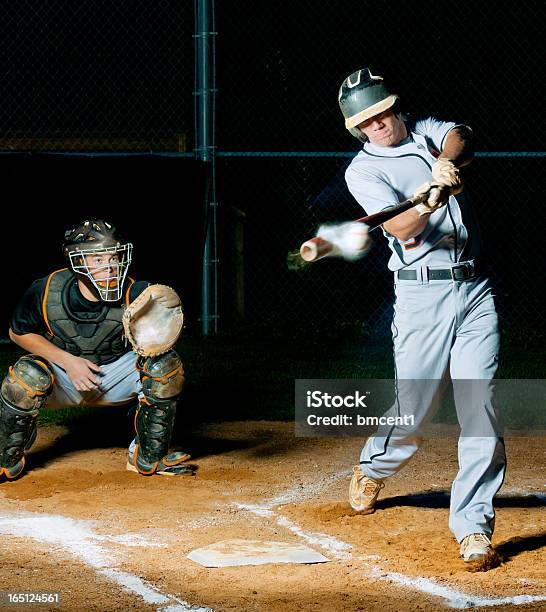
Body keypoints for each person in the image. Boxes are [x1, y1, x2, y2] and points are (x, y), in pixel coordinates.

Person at [338, 68, 505, 566]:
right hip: (421, 298)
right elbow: (403, 229)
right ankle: (374, 465)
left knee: (481, 405)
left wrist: (444, 167)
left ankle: (473, 526)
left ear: (395, 107)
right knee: (416, 410)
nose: (379, 124)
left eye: (383, 112)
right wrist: (432, 198)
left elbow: (462, 137)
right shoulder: (362, 172)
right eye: (367, 121)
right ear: (357, 128)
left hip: (476, 289)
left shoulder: (427, 132)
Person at [0, 219, 190, 480]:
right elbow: (17, 332)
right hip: (62, 380)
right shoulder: (46, 290)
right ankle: (6, 459)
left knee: (165, 366)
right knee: (25, 377)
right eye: (98, 260)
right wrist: (67, 361)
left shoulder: (136, 293)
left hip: (111, 377)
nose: (110, 267)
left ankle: (148, 457)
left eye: (113, 258)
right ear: (77, 261)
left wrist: (160, 331)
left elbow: (159, 339)